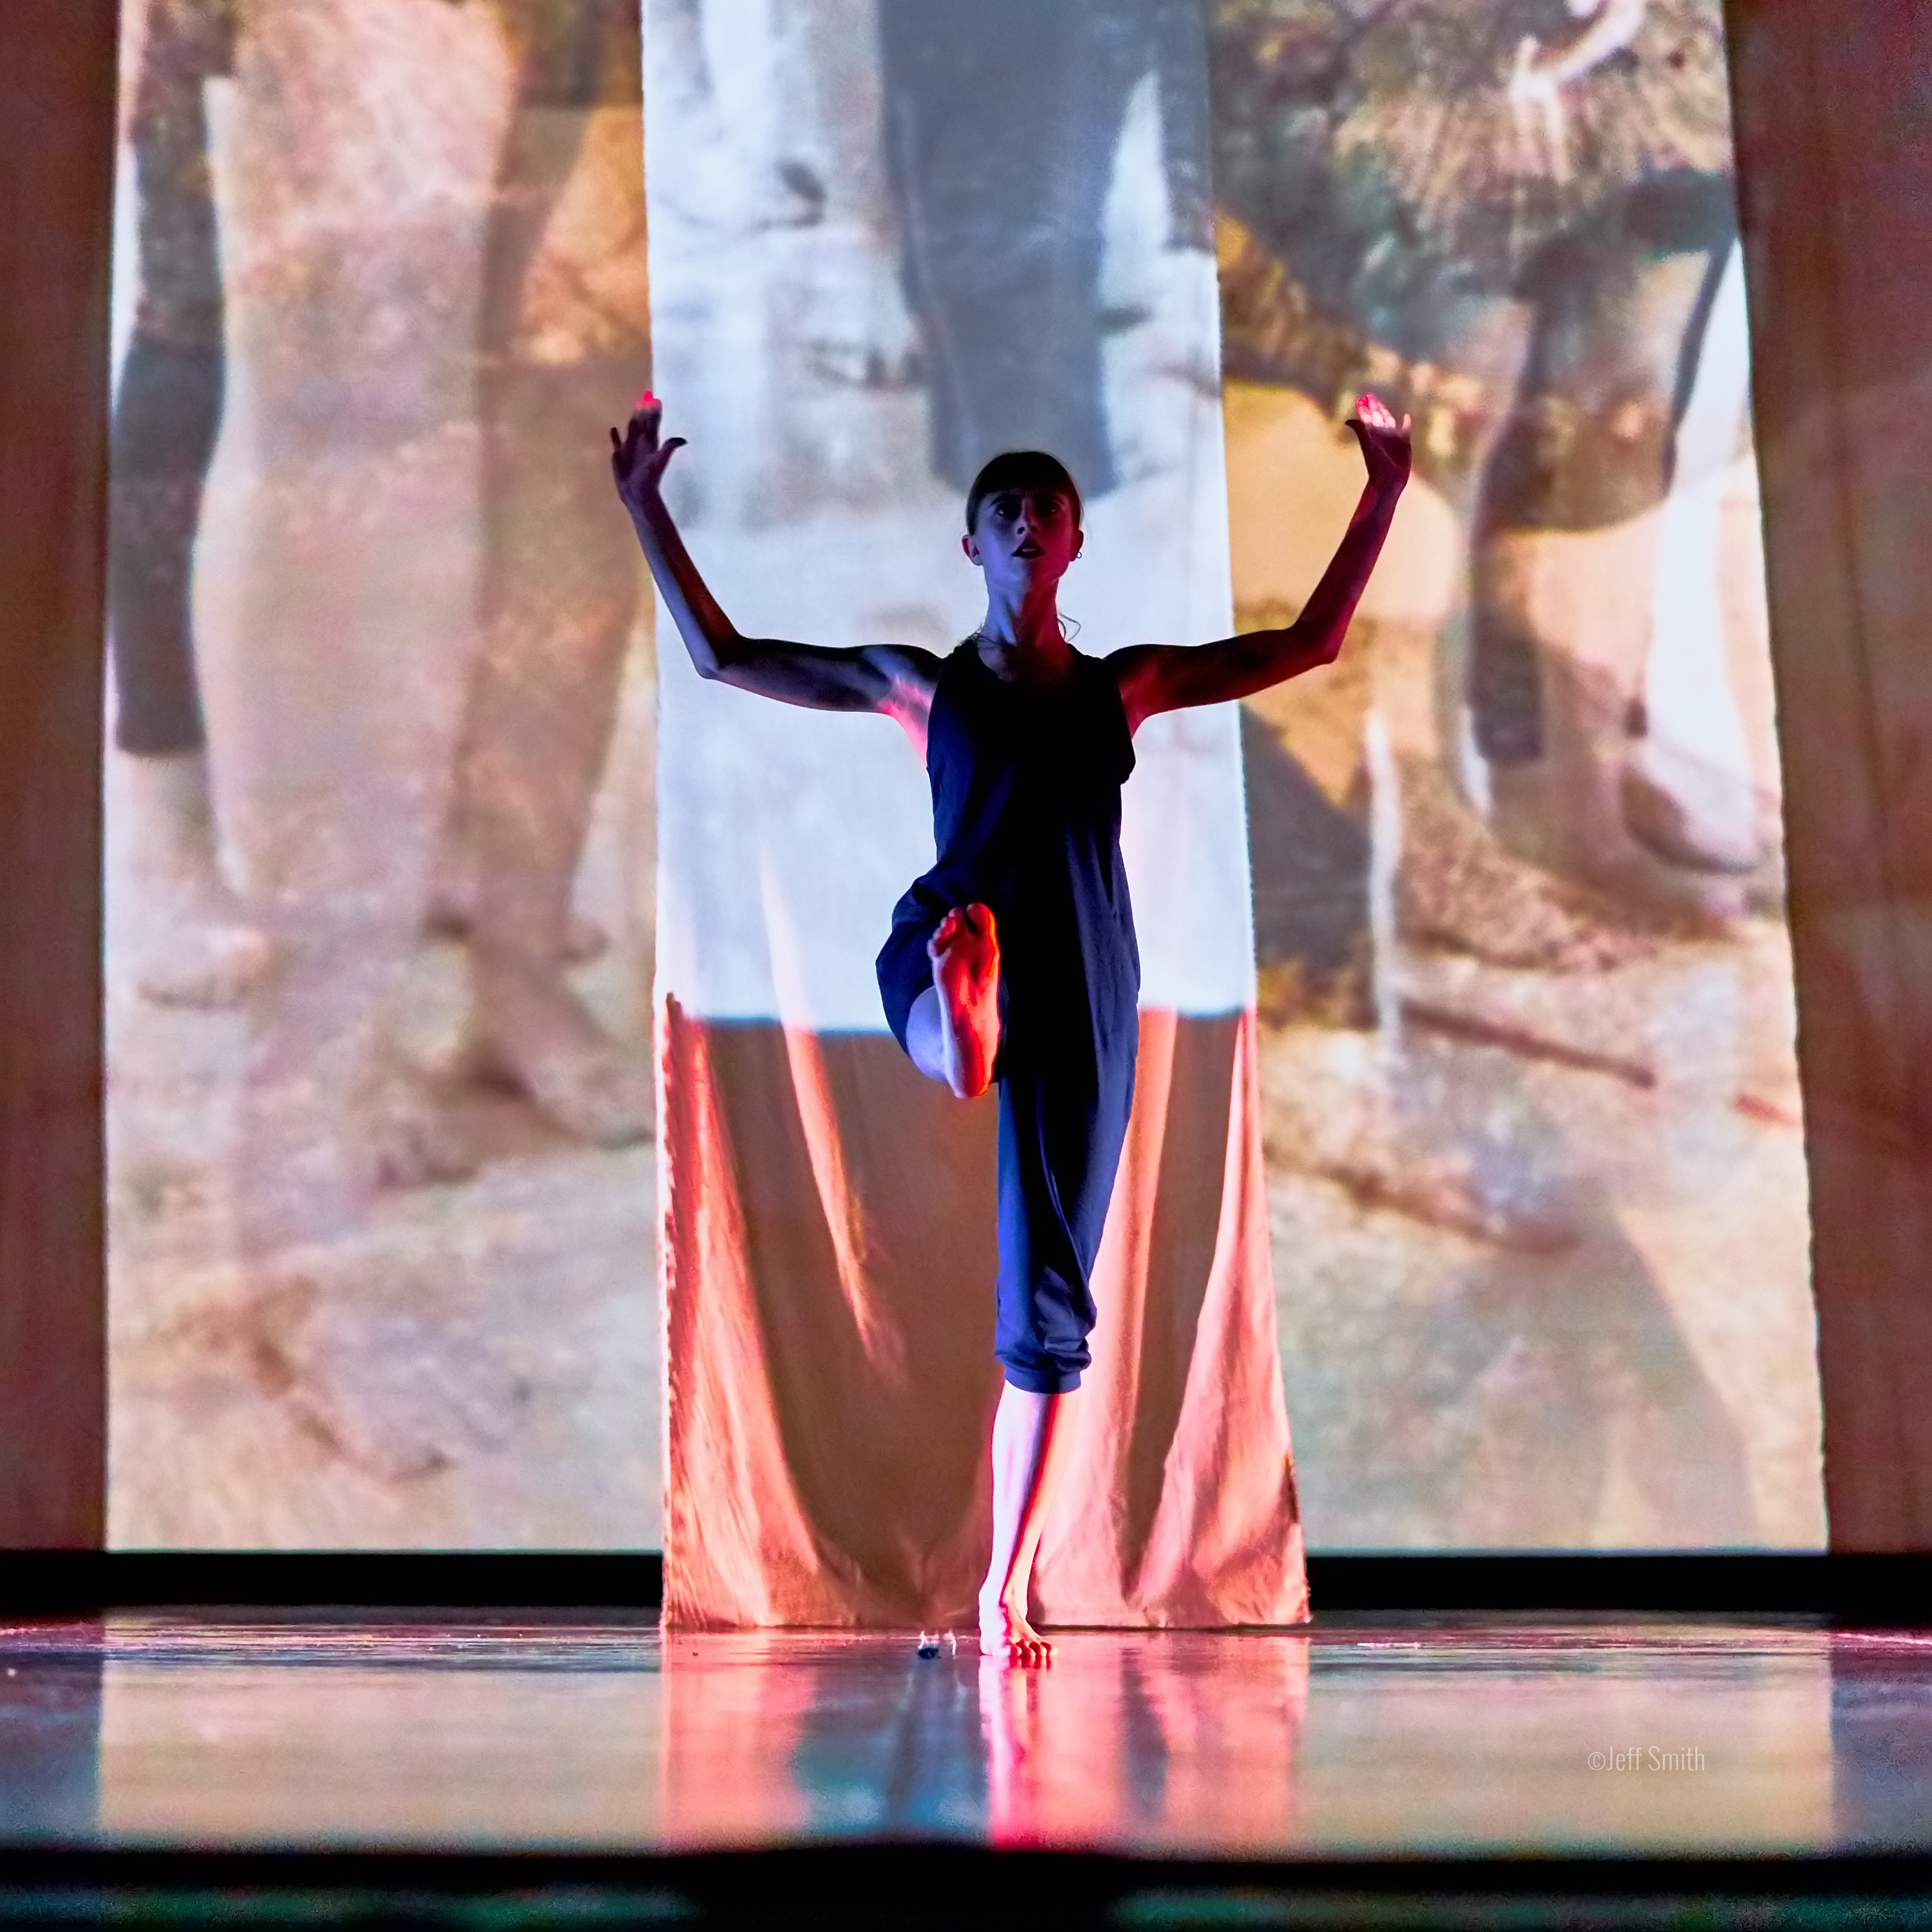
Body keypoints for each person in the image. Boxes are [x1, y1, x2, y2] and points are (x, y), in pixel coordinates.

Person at [611, 389, 1412, 1662]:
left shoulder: (1122, 689)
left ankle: (1006, 1585)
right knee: (952, 996)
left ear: (1074, 546)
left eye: (1048, 507)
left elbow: (1308, 643)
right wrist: (648, 509)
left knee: (1051, 1308)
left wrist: (1381, 492)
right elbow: (725, 656)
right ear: (971, 547)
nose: (1028, 519)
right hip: (959, 926)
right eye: (1005, 509)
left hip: (1086, 973)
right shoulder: (920, 689)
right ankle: (963, 1022)